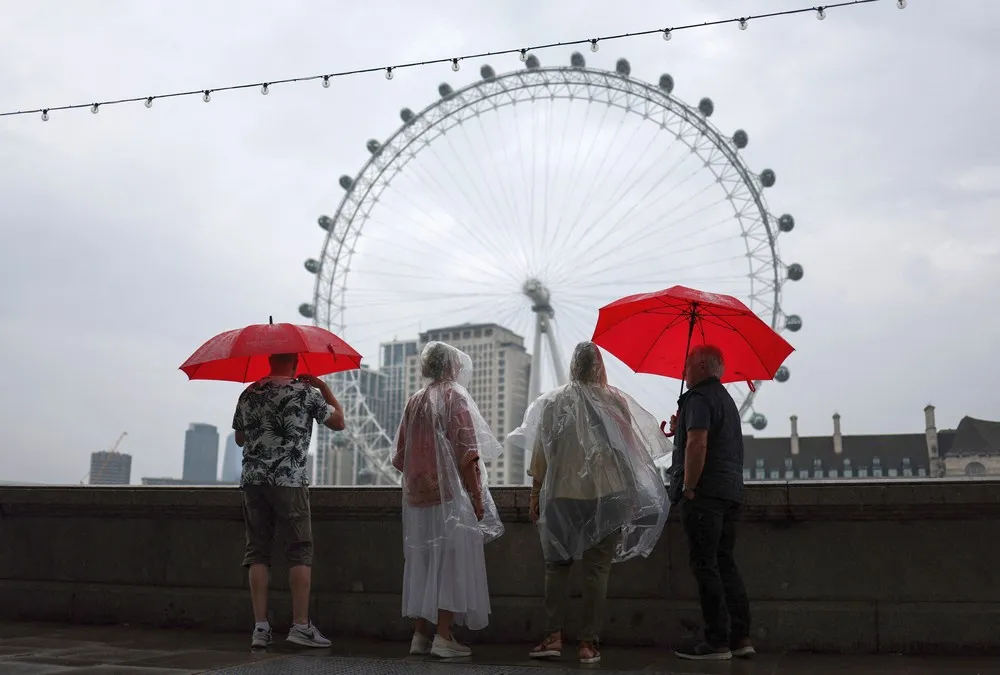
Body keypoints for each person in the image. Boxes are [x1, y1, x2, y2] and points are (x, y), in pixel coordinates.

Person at [507, 341, 671, 665]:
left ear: (572, 366)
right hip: (607, 495)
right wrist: (633, 495)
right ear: (601, 367)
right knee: (597, 569)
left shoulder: (553, 402)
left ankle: (553, 637)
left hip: (562, 494)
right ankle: (588, 644)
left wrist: (534, 492)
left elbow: (542, 453)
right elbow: (628, 452)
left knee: (556, 566)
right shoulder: (614, 402)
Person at [391, 342, 504, 659]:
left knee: (422, 563)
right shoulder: (455, 397)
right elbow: (468, 453)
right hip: (448, 497)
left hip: (416, 499)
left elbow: (400, 457)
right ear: (452, 367)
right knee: (450, 563)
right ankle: (444, 636)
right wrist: (478, 497)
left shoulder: (414, 401)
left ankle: (419, 637)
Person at [232, 352, 345, 650]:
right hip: (289, 480)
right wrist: (323, 387)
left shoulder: (249, 392)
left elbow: (240, 438)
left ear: (269, 360)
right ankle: (300, 626)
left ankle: (260, 629)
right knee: (299, 550)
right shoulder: (306, 393)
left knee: (257, 551)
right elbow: (339, 422)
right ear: (295, 362)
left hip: (253, 481)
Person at [667, 344, 753, 661]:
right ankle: (740, 636)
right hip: (731, 492)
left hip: (705, 495)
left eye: (687, 364)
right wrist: (682, 427)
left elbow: (698, 443)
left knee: (705, 566)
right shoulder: (726, 400)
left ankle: (716, 640)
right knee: (725, 563)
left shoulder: (699, 397)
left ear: (702, 365)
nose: (683, 370)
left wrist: (689, 487)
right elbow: (705, 437)